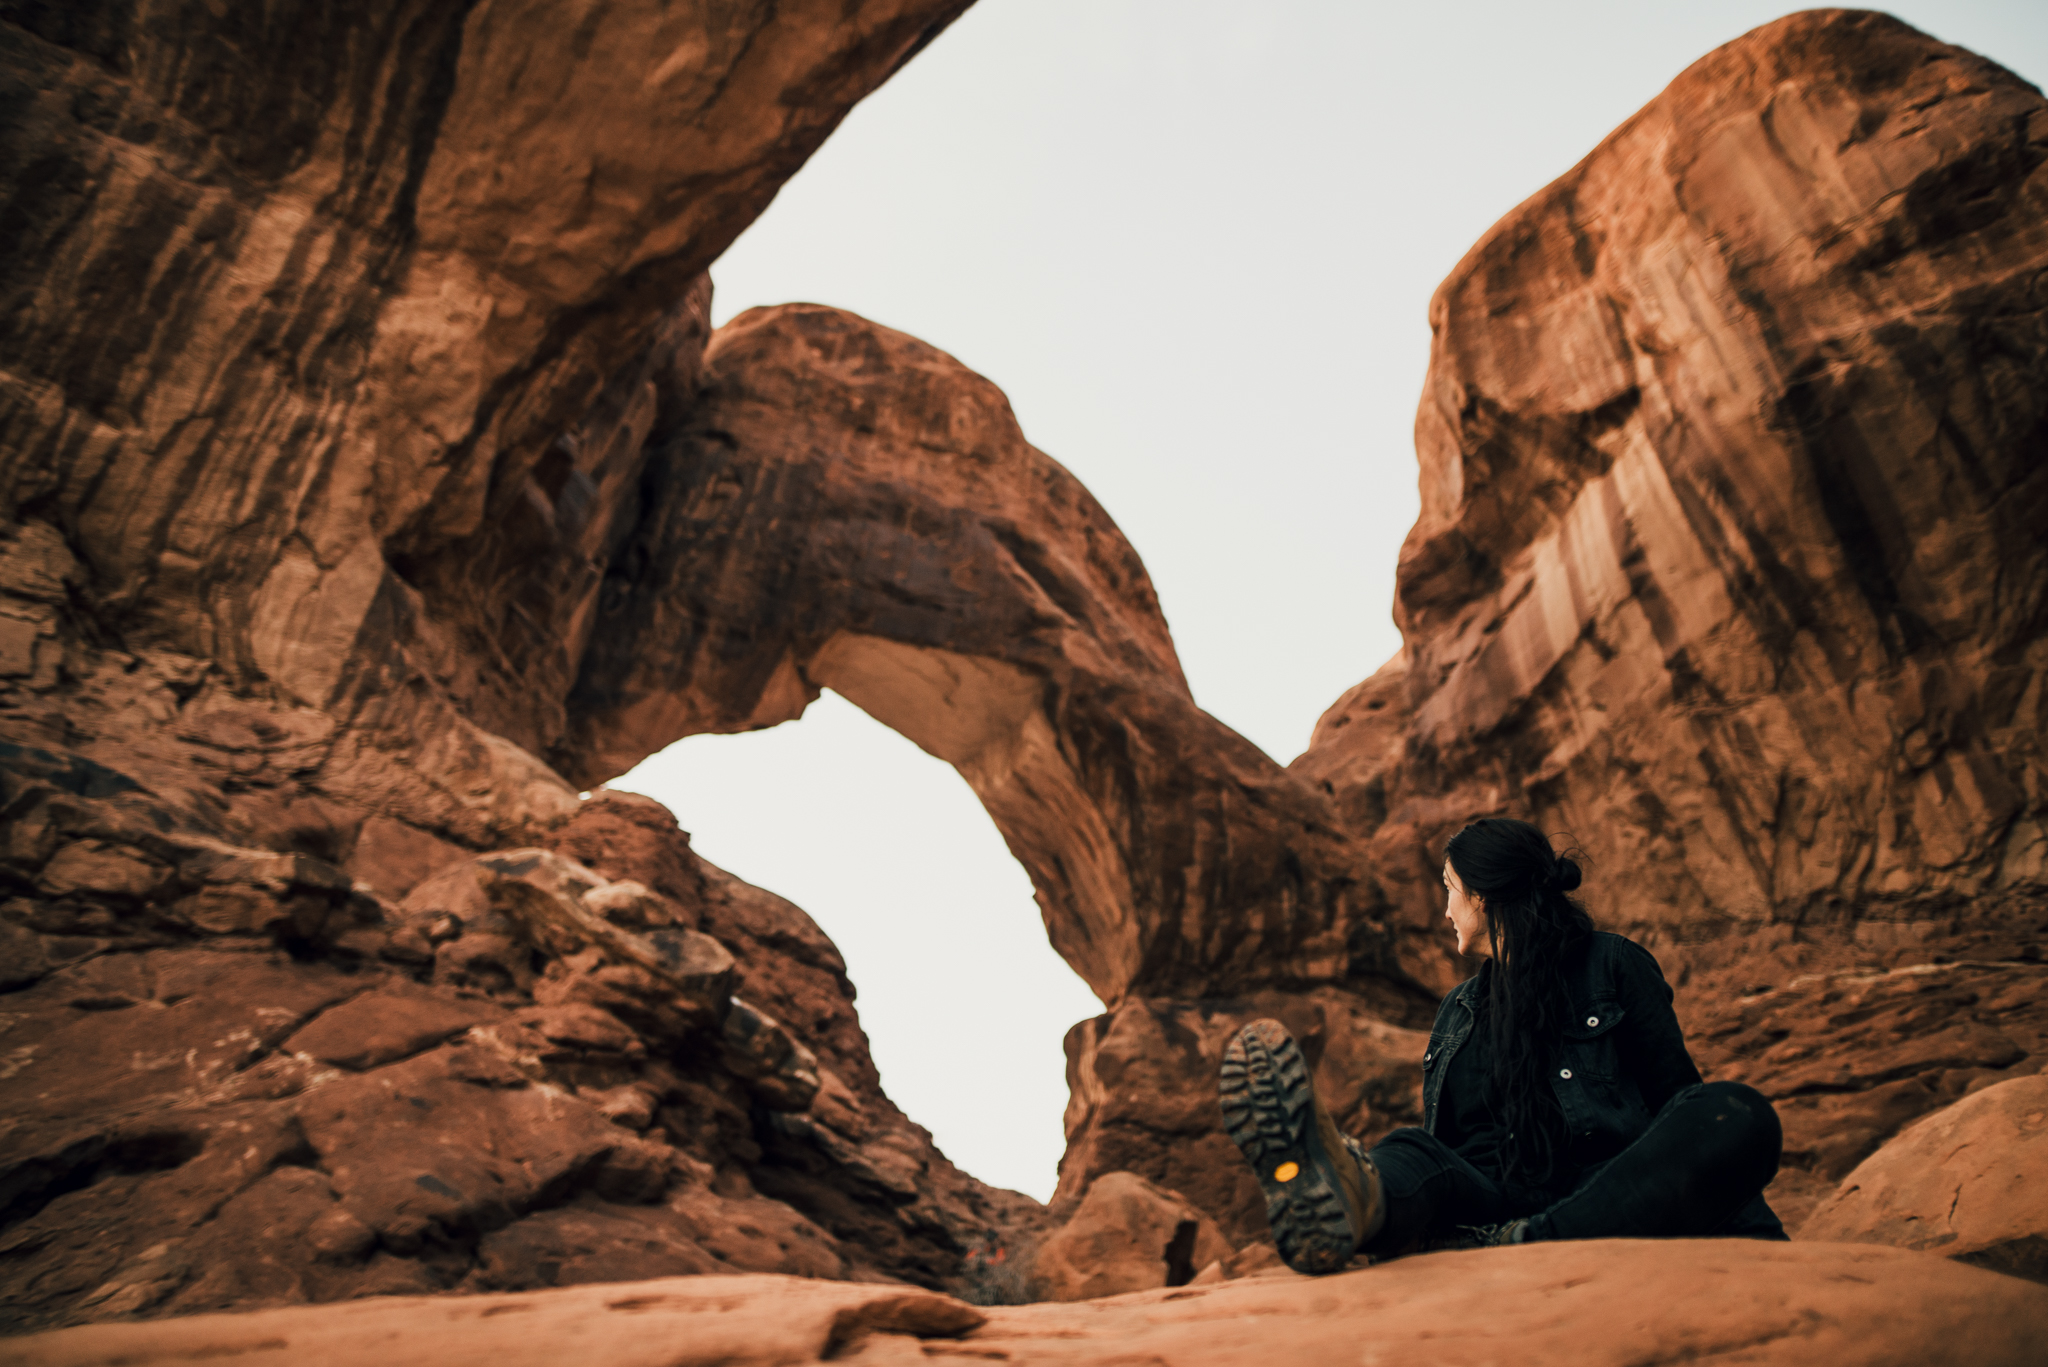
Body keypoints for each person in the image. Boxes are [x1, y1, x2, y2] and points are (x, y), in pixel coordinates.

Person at [1218, 817, 1786, 1274]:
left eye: (1449, 890)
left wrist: (1745, 1219)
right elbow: (1449, 1148)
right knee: (1416, 1153)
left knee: (1733, 1111)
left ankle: (1534, 1241)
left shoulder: (1612, 966)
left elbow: (1677, 1102)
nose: (1445, 910)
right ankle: (1348, 1192)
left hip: (1603, 1191)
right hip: (1486, 1203)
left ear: (1483, 896)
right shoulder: (1457, 1011)